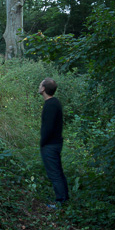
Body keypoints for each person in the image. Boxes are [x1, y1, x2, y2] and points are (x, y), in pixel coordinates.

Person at [39, 77, 68, 207]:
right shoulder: (54, 103)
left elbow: (49, 128)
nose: (39, 86)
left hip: (50, 145)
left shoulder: (50, 105)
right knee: (58, 172)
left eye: (40, 85)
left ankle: (61, 202)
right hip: (54, 143)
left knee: (55, 174)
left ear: (44, 88)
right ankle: (64, 199)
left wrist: (43, 142)